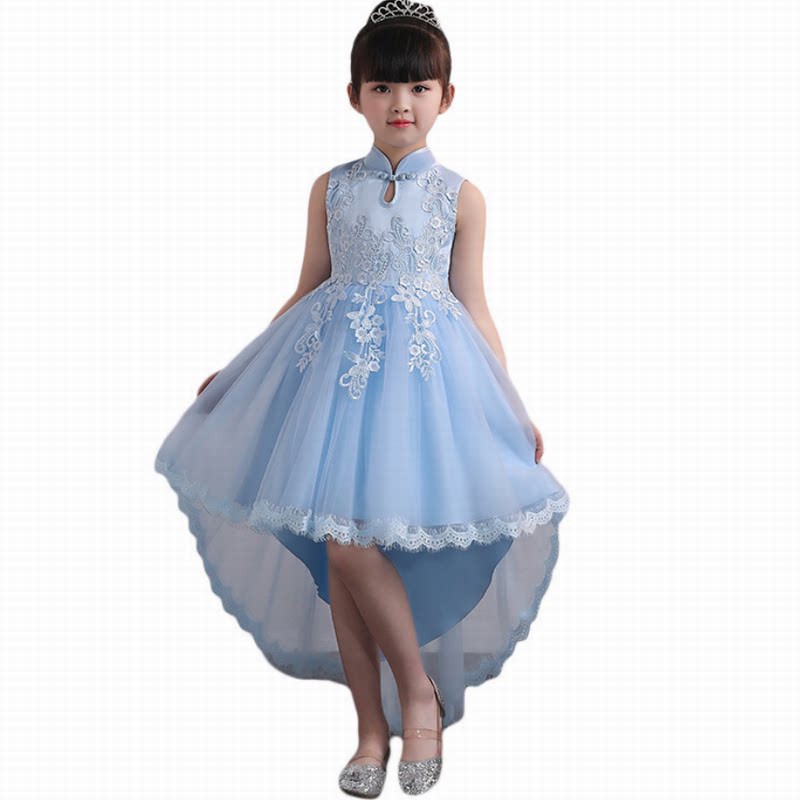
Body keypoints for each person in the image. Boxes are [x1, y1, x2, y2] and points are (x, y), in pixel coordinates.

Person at [154, 1, 570, 795]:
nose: (400, 103)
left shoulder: (460, 196)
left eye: (418, 87)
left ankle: (413, 700)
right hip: (334, 391)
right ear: (355, 96)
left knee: (352, 547)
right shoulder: (331, 188)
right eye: (382, 87)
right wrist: (238, 374)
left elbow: (475, 306)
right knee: (338, 547)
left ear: (447, 96)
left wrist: (510, 406)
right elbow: (307, 289)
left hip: (421, 396)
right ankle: (373, 726)